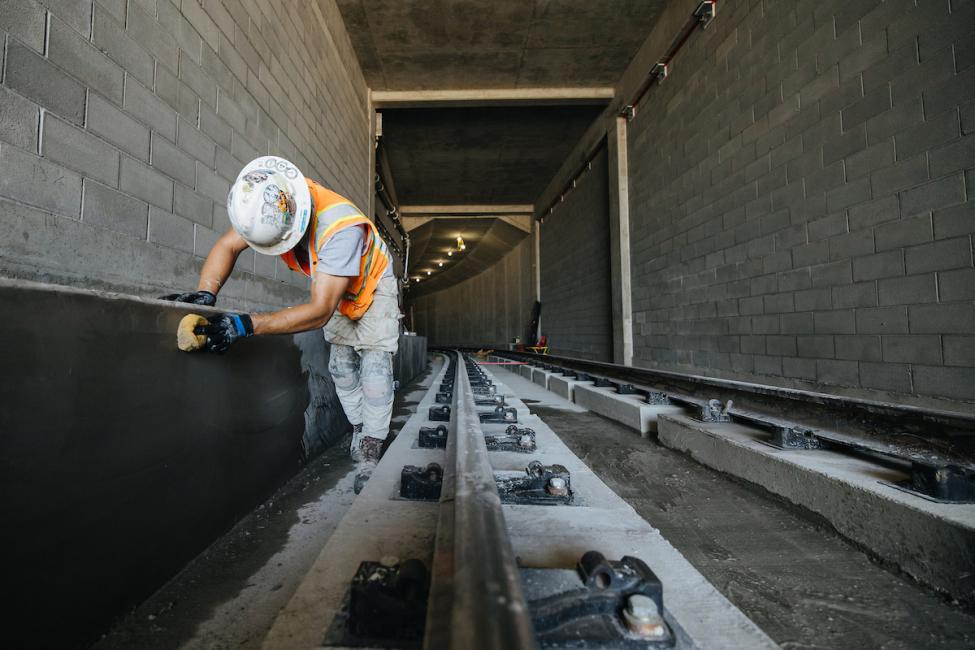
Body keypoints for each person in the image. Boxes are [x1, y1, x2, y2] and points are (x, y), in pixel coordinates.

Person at [161, 156, 400, 493]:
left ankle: (373, 445)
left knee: (374, 367)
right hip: (336, 289)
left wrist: (246, 325)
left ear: (297, 222)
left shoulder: (338, 229)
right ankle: (362, 426)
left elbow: (320, 311)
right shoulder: (270, 198)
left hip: (372, 286)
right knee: (342, 367)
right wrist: (206, 293)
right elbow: (229, 245)